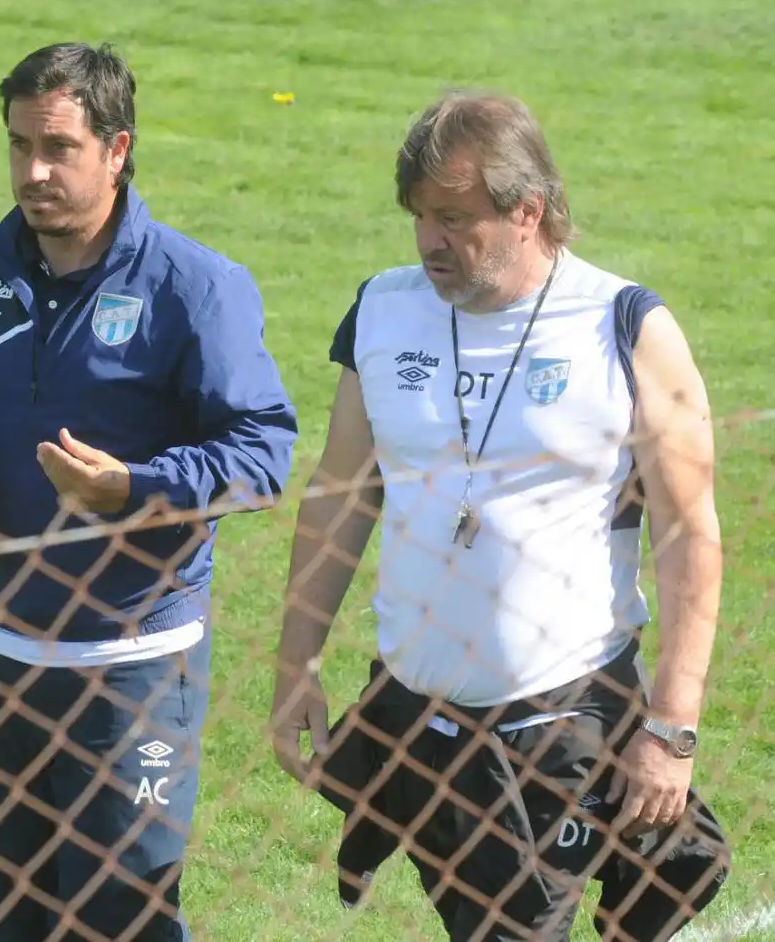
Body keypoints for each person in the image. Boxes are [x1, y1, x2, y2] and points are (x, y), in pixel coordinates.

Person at [0, 41, 298, 942]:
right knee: (3, 916)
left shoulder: (195, 287)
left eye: (58, 148)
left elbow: (263, 449)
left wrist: (131, 487)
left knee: (123, 917)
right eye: (19, 145)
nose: (33, 170)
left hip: (128, 671)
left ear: (118, 149)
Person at [269, 86, 728, 940]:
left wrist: (671, 726)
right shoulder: (383, 310)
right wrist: (296, 663)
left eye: (453, 217)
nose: (430, 241)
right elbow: (340, 498)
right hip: (415, 716)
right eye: (418, 217)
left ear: (529, 210)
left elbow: (690, 536)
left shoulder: (622, 326)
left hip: (562, 717)